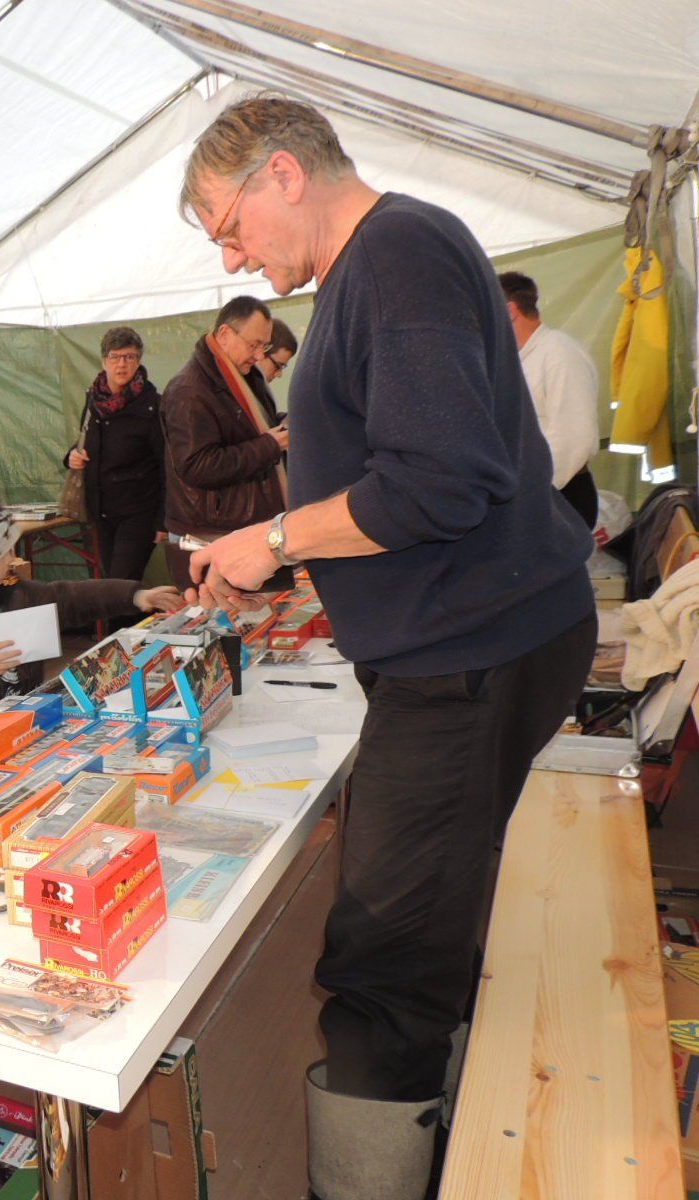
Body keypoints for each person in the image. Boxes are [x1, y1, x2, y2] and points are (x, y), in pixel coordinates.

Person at [177, 96, 593, 1200]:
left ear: (281, 174)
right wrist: (294, 553)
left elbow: (439, 482)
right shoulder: (378, 264)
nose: (232, 258)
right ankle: (440, 1118)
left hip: (464, 662)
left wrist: (276, 539)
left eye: (228, 225)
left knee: (379, 961)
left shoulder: (396, 254)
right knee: (433, 908)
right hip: (468, 643)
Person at [0, 492, 182, 739]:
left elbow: (72, 598)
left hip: (28, 730)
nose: (12, 559)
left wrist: (135, 596)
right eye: (2, 553)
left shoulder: (17, 594)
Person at [161, 295, 286, 587]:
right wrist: (270, 446)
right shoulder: (188, 390)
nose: (259, 355)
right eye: (254, 345)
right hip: (210, 533)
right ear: (225, 334)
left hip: (244, 525)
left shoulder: (243, 376)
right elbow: (196, 466)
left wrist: (283, 424)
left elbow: (251, 427)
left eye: (264, 347)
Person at [63, 325, 167, 582]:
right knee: (114, 586)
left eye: (129, 357)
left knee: (121, 583)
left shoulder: (153, 404)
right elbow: (86, 440)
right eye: (115, 357)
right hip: (100, 512)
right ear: (104, 361)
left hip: (138, 512)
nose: (122, 364)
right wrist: (71, 456)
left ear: (138, 361)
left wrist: (163, 521)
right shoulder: (93, 399)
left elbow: (167, 465)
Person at [499, 270, 601, 528]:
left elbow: (573, 436)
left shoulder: (558, 352)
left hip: (559, 495)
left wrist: (529, 494)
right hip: (535, 491)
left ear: (509, 311)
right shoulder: (521, 359)